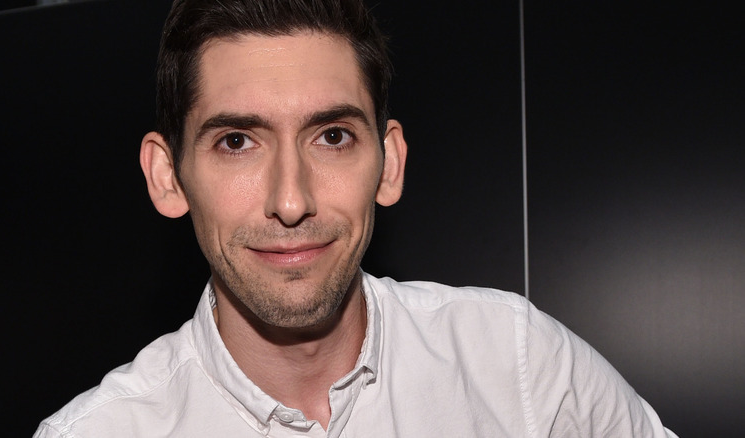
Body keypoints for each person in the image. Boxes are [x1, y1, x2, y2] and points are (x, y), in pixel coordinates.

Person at [34, 0, 678, 436]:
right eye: (237, 141)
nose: (291, 201)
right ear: (167, 176)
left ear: (389, 163)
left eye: (332, 136)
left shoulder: (517, 363)